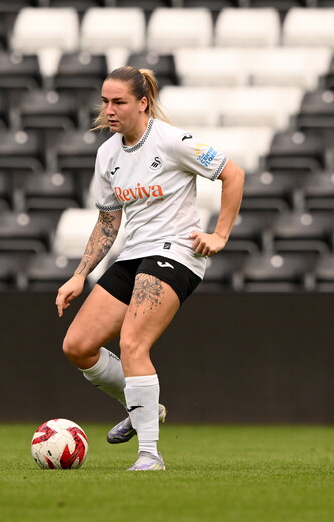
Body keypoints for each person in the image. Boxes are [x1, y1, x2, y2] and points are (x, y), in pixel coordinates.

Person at [55, 66, 245, 471]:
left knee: (132, 345)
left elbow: (233, 173)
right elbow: (109, 221)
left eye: (118, 102)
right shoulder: (107, 154)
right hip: (133, 254)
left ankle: (149, 454)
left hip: (176, 252)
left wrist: (220, 235)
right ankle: (142, 405)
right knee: (78, 346)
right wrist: (78, 274)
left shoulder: (171, 140)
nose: (109, 110)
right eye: (105, 101)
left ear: (142, 103)